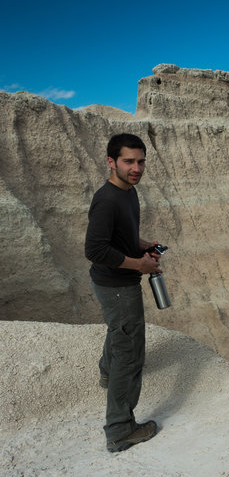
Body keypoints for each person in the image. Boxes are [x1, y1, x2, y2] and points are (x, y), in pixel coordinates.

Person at [84, 133, 162, 452]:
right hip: (116, 285)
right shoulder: (107, 199)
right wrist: (138, 265)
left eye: (141, 161)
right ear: (111, 162)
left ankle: (105, 374)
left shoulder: (128, 192)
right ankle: (120, 429)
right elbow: (95, 249)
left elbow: (119, 234)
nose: (136, 168)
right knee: (130, 353)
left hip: (116, 282)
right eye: (129, 161)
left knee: (119, 332)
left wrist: (142, 245)